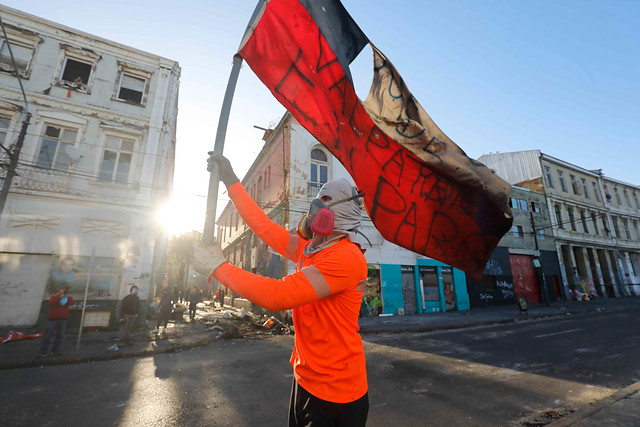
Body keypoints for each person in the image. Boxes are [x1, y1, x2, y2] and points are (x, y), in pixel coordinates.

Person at [195, 155, 369, 426]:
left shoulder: (346, 257)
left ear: (342, 212)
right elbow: (264, 228)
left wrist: (219, 267)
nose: (313, 208)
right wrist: (231, 180)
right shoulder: (311, 249)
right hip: (306, 380)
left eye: (323, 201)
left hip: (337, 394)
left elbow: (277, 296)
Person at [38, 286, 75, 358]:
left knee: (60, 336)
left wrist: (67, 297)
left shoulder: (68, 298)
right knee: (48, 335)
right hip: (52, 320)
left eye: (65, 289)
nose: (63, 290)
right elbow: (51, 304)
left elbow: (72, 303)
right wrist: (60, 297)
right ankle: (43, 351)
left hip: (63, 319)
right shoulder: (54, 297)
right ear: (59, 290)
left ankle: (55, 350)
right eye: (62, 289)